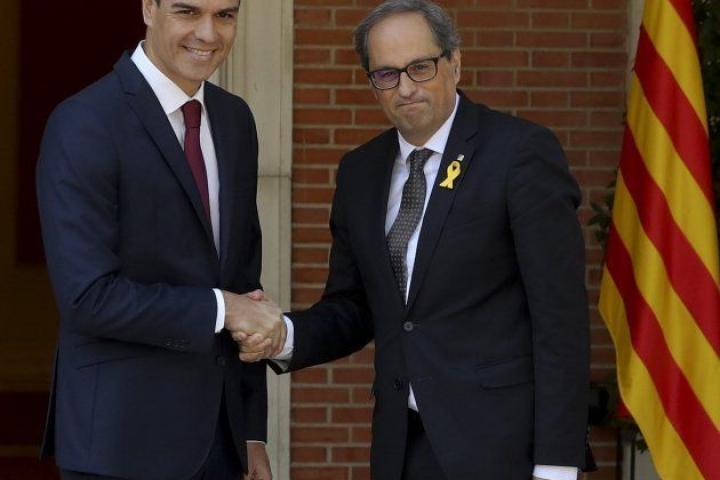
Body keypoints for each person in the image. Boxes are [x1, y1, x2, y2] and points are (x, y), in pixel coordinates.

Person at [237, 1, 591, 479]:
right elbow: (354, 307)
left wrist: (557, 465)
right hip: (402, 448)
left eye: (420, 67)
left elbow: (560, 322)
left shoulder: (519, 153)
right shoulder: (360, 172)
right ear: (372, 84)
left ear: (454, 62)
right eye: (386, 74)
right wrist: (283, 335)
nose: (405, 88)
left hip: (503, 449)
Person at [35, 0, 285, 478]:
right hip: (120, 445)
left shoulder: (235, 120)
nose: (208, 34)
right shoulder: (84, 121)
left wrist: (251, 432)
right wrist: (223, 309)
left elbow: (243, 283)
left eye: (225, 15)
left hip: (221, 443)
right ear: (149, 8)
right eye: (187, 12)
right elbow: (87, 297)